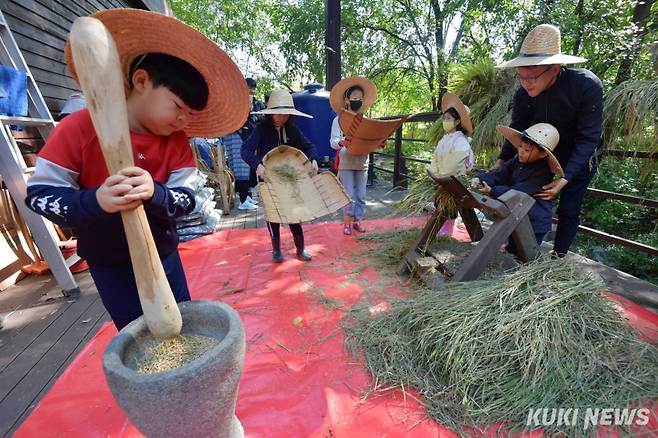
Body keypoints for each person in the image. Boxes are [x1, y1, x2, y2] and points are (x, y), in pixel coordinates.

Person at [24, 9, 249, 330]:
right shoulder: (79, 128)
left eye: (189, 115)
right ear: (141, 81)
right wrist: (95, 201)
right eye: (177, 107)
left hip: (164, 255)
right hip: (109, 263)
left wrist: (155, 193)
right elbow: (39, 196)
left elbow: (187, 200)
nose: (183, 121)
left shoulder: (176, 143)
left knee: (180, 324)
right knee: (136, 332)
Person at [493, 24, 603, 257]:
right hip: (539, 153)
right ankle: (518, 248)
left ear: (554, 68)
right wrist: (502, 160)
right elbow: (518, 128)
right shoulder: (523, 93)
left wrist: (564, 178)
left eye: (532, 77)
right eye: (521, 77)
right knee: (527, 195)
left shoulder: (585, 85)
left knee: (569, 208)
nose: (526, 83)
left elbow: (588, 138)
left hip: (579, 155)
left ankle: (558, 256)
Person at [241, 89, 319, 263]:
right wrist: (258, 165)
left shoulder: (292, 130)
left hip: (290, 179)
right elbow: (245, 150)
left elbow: (309, 147)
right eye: (278, 113)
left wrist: (313, 160)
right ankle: (276, 250)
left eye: (285, 114)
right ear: (271, 113)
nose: (282, 117)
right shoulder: (261, 129)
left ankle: (300, 249)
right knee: (273, 213)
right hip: (268, 178)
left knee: (294, 213)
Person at [471, 123, 563, 257]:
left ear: (542, 154)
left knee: (524, 254)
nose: (520, 152)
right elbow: (500, 173)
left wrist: (493, 190)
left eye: (526, 150)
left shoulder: (543, 172)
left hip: (534, 222)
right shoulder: (516, 161)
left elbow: (519, 191)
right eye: (520, 147)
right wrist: (481, 179)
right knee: (512, 249)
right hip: (516, 215)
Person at [329, 76, 377, 235]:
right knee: (349, 194)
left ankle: (358, 221)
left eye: (360, 99)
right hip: (347, 160)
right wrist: (342, 141)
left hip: (362, 160)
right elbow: (333, 142)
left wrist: (379, 142)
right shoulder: (339, 119)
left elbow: (371, 139)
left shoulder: (366, 120)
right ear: (347, 100)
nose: (357, 101)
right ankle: (347, 223)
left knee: (361, 195)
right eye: (354, 98)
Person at [429, 92, 474, 178]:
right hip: (440, 179)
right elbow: (435, 158)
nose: (445, 121)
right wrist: (433, 173)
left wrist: (440, 176)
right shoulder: (444, 139)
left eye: (448, 118)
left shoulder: (461, 141)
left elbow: (454, 165)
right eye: (444, 118)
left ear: (457, 122)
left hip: (453, 181)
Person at [220, 131, 258, 210]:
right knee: (240, 168)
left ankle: (246, 197)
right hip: (234, 135)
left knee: (244, 167)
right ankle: (243, 201)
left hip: (235, 135)